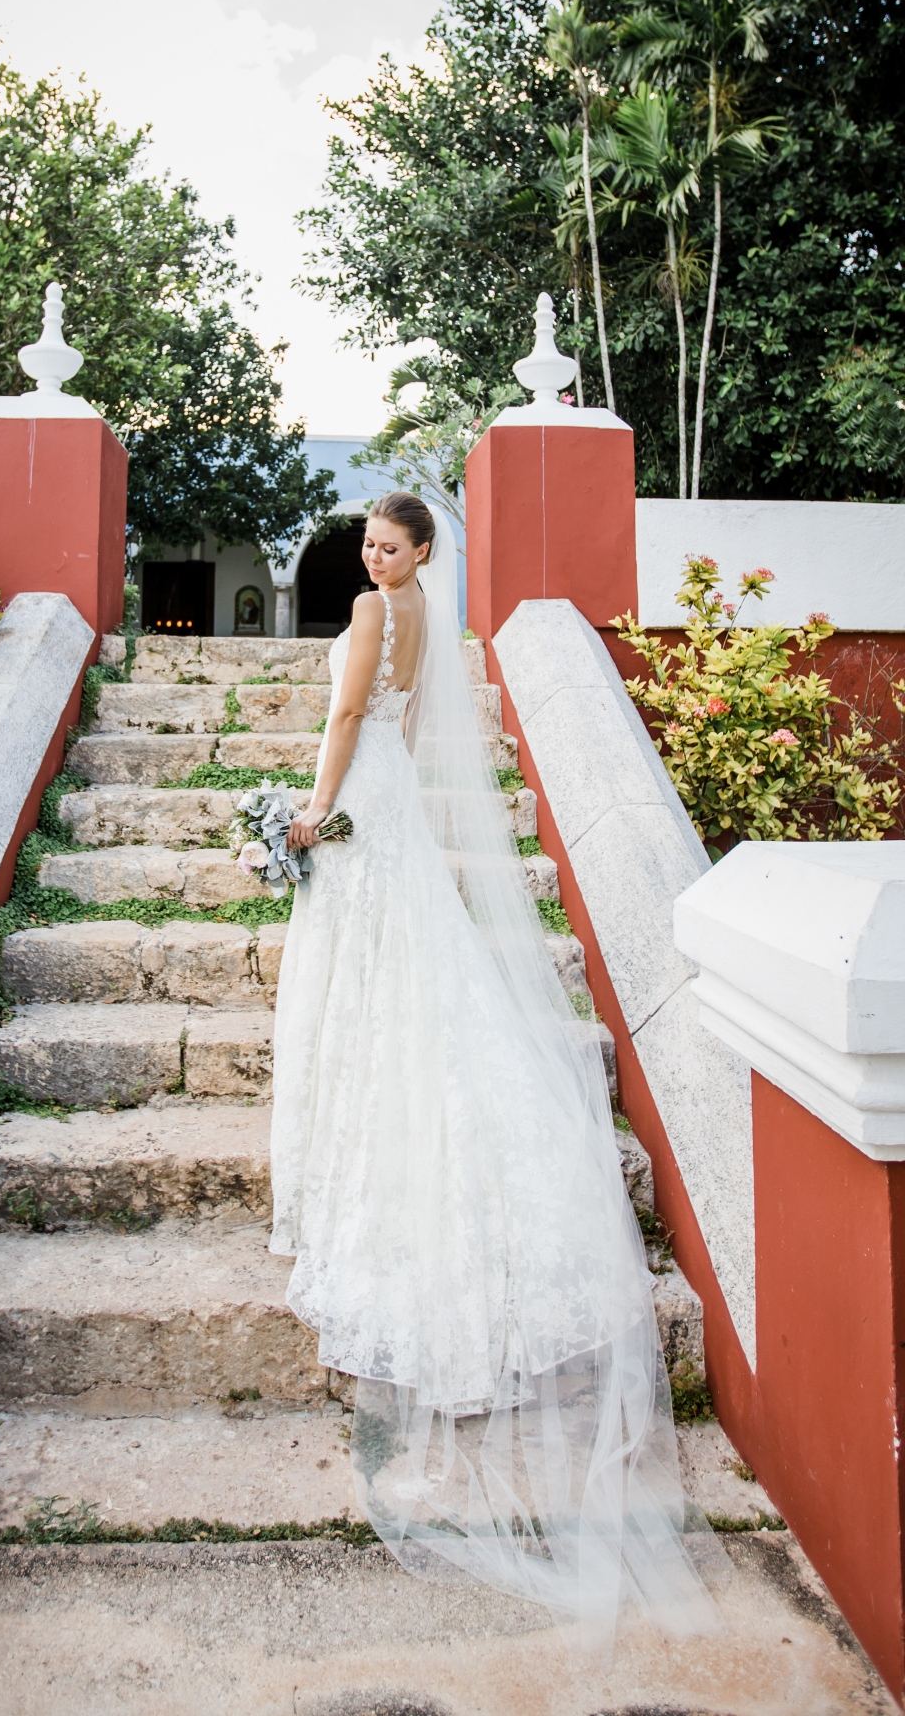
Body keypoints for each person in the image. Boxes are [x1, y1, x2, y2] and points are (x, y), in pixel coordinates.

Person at [271, 491, 725, 1648]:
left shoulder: (377, 615)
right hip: (397, 810)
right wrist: (379, 800)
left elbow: (344, 721)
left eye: (391, 544)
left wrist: (314, 815)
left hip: (355, 806)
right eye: (369, 544)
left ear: (422, 551)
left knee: (368, 976)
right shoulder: (420, 610)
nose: (376, 557)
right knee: (409, 977)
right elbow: (414, 731)